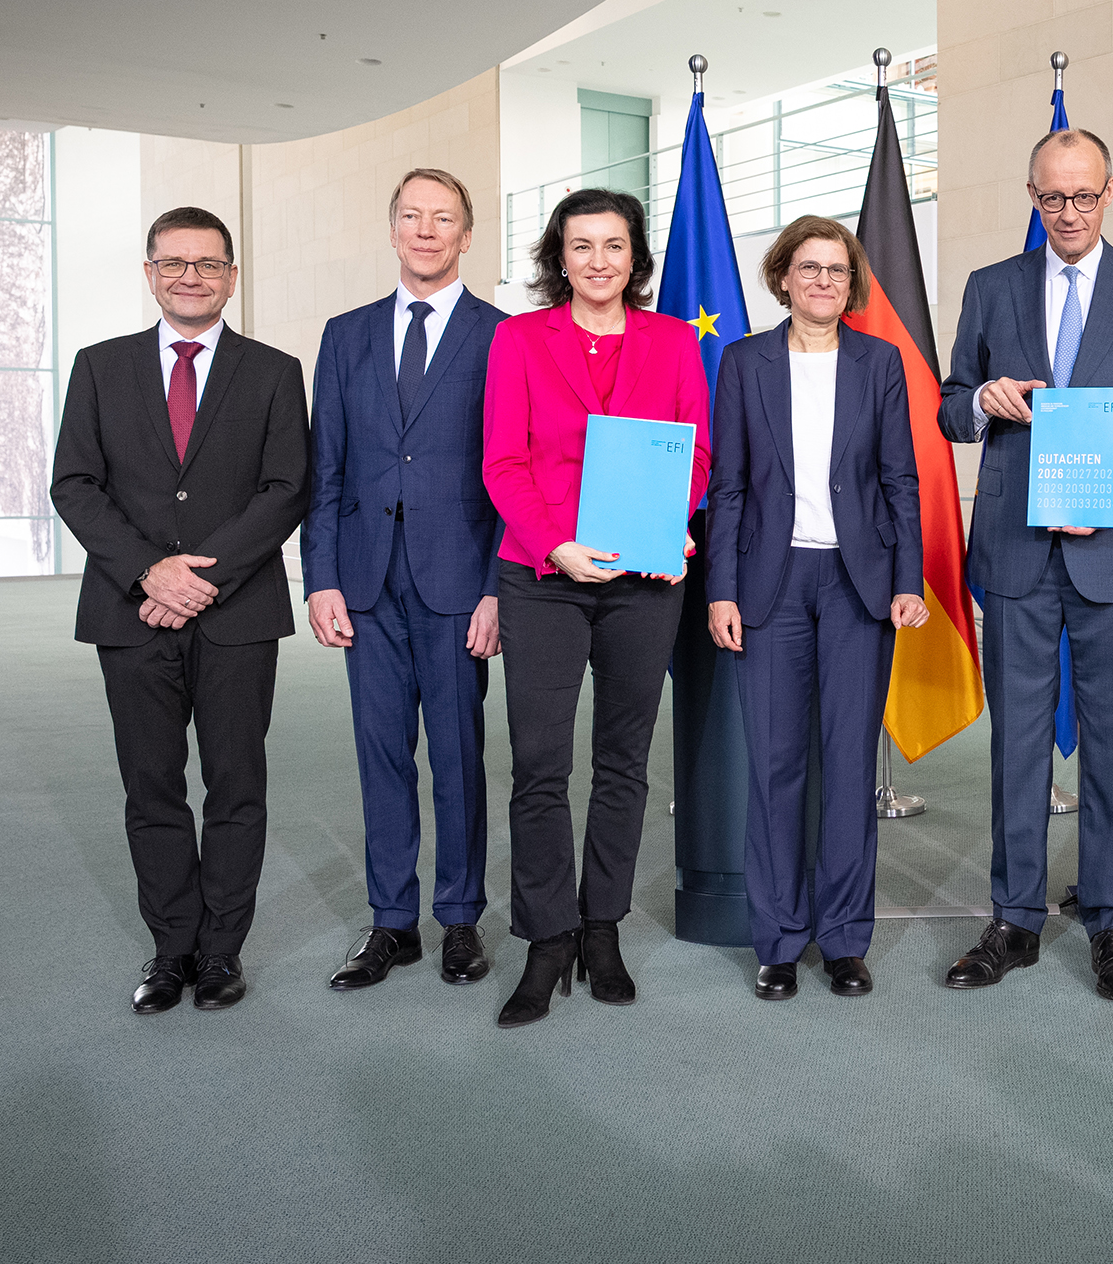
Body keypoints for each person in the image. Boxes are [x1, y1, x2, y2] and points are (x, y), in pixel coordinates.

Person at [937, 127, 1113, 1002]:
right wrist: (983, 399)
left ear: (1110, 191)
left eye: (1084, 195)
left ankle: (1111, 921)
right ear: (1032, 196)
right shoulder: (991, 287)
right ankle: (1013, 920)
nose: (1068, 212)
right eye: (1052, 197)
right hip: (1016, 552)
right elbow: (948, 408)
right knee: (1015, 747)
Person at [51, 206, 310, 1014]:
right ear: (150, 273)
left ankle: (222, 950)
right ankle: (171, 950)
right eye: (174, 262)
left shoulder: (274, 371)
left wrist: (202, 579)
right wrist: (149, 574)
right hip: (130, 614)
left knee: (236, 784)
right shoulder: (100, 367)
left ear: (232, 277)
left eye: (207, 264)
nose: (190, 276)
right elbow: (74, 484)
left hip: (237, 615)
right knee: (152, 786)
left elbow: (287, 488)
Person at [482, 188, 710, 1028]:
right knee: (540, 764)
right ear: (560, 257)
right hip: (543, 576)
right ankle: (548, 937)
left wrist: (673, 520)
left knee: (623, 761)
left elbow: (695, 452)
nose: (599, 261)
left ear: (635, 256)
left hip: (642, 581)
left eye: (614, 245)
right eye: (581, 246)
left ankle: (602, 926)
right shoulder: (518, 340)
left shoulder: (673, 341)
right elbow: (503, 462)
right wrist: (555, 546)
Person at [705, 216, 927, 1001]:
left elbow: (900, 478)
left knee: (848, 764)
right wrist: (722, 588)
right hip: (770, 584)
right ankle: (777, 939)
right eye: (809, 267)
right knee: (775, 765)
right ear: (783, 277)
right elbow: (728, 485)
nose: (824, 281)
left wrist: (908, 578)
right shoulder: (743, 362)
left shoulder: (880, 362)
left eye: (837, 270)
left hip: (857, 583)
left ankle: (843, 939)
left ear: (851, 282)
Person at [302, 168, 507, 993]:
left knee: (457, 757)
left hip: (459, 581)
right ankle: (392, 921)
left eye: (443, 218)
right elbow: (326, 467)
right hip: (365, 582)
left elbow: (514, 471)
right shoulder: (344, 335)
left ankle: (459, 919)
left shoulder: (502, 337)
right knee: (380, 754)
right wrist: (320, 577)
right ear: (392, 230)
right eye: (412, 216)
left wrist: (497, 588)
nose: (426, 230)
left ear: (466, 236)